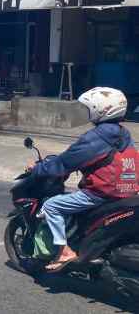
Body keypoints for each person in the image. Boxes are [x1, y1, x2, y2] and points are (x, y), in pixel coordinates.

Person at [27, 87, 138, 272]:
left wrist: (38, 168)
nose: (87, 112)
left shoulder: (98, 136)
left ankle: (64, 252)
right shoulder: (123, 134)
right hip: (126, 192)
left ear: (100, 110)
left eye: (89, 108)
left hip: (102, 193)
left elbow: (66, 161)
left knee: (53, 206)